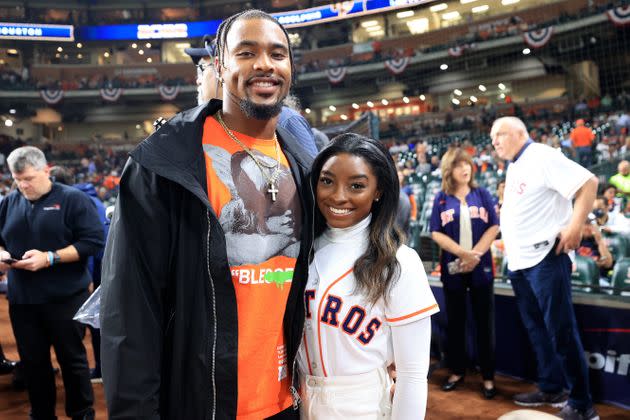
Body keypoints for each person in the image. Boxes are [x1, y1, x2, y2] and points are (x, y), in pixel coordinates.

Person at [101, 10, 314, 419]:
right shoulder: (163, 162)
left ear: (290, 67)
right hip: (202, 403)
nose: (265, 64)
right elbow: (130, 310)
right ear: (220, 66)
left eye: (277, 53)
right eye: (246, 52)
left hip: (289, 402)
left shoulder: (304, 160)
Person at [298, 133, 439, 419]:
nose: (338, 195)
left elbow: (412, 375)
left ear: (378, 191)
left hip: (364, 404)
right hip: (299, 399)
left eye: (357, 186)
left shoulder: (399, 262)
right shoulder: (300, 251)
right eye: (327, 180)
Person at [491, 116, 599, 420]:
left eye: (500, 134)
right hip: (521, 262)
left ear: (520, 133)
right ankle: (552, 386)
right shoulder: (515, 164)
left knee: (561, 331)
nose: (495, 141)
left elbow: (589, 183)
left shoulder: (541, 155)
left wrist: (575, 226)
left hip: (547, 259)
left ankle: (581, 403)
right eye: (493, 136)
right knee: (537, 330)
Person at [0, 146, 103, 420]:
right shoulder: (10, 201)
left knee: (72, 361)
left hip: (64, 298)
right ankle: (42, 414)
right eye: (17, 179)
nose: (23, 185)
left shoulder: (73, 199)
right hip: (23, 300)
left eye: (29, 178)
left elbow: (93, 242)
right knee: (33, 363)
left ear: (46, 170)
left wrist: (50, 258)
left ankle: (82, 413)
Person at [429, 147, 499, 399]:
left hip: (481, 268)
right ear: (450, 170)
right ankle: (457, 371)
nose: (465, 169)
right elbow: (435, 232)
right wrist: (462, 253)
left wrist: (475, 254)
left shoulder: (482, 194)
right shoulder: (440, 198)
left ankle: (488, 376)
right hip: (453, 269)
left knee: (484, 324)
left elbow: (494, 225)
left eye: (467, 164)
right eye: (459, 165)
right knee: (456, 323)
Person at [185, 33, 319, 157]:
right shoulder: (218, 129)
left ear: (222, 70)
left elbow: (311, 181)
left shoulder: (285, 120)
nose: (198, 80)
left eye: (202, 69)